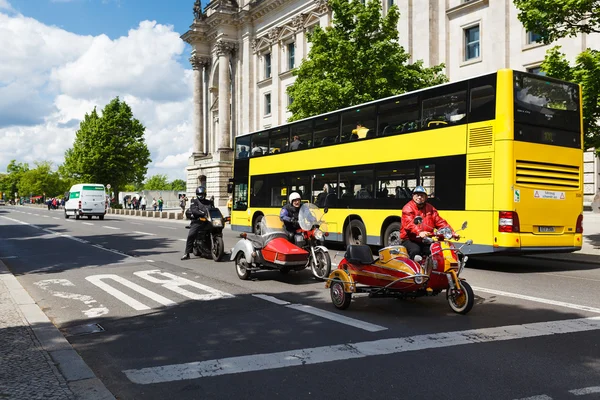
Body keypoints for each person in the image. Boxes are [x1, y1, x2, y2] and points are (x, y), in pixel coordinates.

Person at [400, 186, 455, 260]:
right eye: (417, 195)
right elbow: (409, 223)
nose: (419, 197)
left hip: (426, 239)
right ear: (413, 196)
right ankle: (414, 270)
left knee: (436, 251)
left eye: (422, 195)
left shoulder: (430, 208)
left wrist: (452, 233)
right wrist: (419, 232)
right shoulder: (408, 208)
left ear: (426, 197)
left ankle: (432, 269)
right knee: (415, 250)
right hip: (410, 239)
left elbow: (439, 221)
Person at [181, 186, 213, 260]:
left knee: (217, 229)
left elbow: (213, 209)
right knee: (191, 234)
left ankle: (217, 248)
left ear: (205, 194)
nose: (201, 196)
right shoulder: (194, 201)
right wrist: (202, 214)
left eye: (202, 194)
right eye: (199, 194)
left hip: (208, 221)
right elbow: (194, 210)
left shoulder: (208, 202)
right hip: (197, 221)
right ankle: (187, 253)